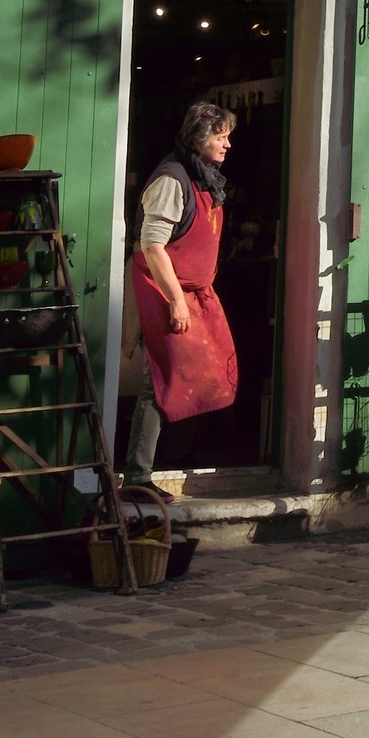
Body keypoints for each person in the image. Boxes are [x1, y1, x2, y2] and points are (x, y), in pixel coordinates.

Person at [123, 102, 240, 485]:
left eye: (227, 137)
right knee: (160, 382)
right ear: (197, 139)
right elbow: (153, 246)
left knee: (201, 373)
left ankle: (176, 457)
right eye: (220, 138)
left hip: (196, 293)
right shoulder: (171, 181)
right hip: (163, 289)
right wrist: (175, 300)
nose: (226, 146)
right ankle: (138, 477)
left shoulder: (204, 178)